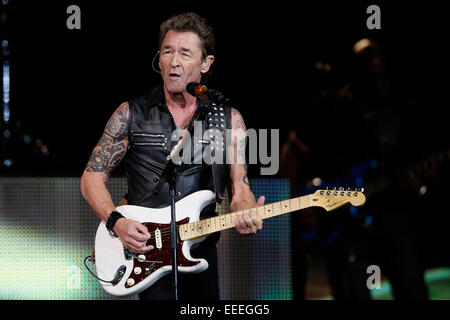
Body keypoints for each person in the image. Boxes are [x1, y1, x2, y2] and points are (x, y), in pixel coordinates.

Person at [80, 12, 265, 300]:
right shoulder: (131, 113)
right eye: (168, 52)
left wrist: (246, 209)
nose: (174, 62)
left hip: (200, 249)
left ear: (206, 63)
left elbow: (239, 188)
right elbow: (91, 178)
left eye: (185, 54)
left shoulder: (227, 118)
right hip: (147, 251)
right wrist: (116, 221)